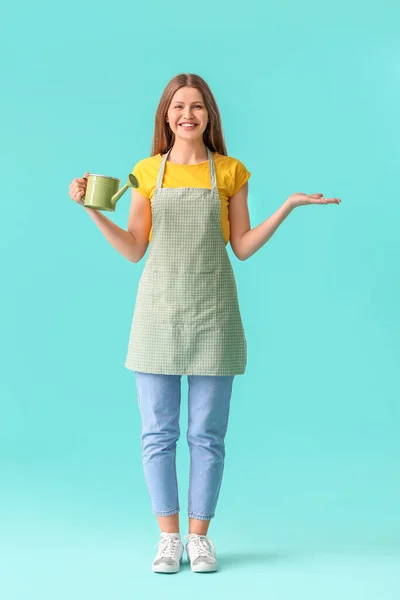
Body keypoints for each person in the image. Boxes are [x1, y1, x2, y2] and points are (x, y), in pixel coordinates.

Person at [68, 72, 341, 574]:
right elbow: (133, 250)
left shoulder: (232, 171)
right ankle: (168, 538)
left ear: (209, 115)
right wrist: (91, 210)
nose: (187, 114)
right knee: (157, 433)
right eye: (178, 106)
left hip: (214, 313)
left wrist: (287, 207)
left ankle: (200, 538)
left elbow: (240, 247)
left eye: (196, 106)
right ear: (166, 116)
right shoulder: (145, 173)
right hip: (156, 314)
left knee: (208, 434)